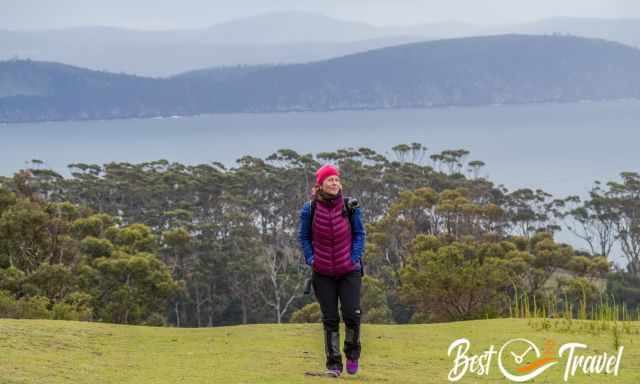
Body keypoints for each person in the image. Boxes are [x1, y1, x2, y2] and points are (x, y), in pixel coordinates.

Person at [298, 164, 366, 377]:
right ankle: (334, 364)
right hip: (323, 273)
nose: (334, 183)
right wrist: (311, 258)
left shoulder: (350, 206)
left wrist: (353, 257)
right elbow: (303, 237)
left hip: (349, 271)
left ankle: (352, 354)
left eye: (337, 179)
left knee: (352, 314)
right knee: (330, 319)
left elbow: (360, 234)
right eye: (330, 180)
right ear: (320, 185)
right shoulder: (309, 209)